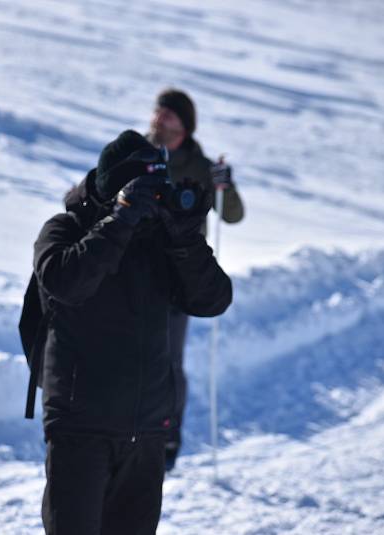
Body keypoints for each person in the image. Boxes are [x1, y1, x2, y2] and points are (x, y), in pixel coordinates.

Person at [33, 129, 233, 534]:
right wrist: (121, 219)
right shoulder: (65, 228)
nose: (153, 201)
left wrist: (185, 239)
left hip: (146, 431)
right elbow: (66, 283)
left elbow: (213, 299)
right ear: (118, 188)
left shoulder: (160, 240)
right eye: (146, 190)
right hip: (81, 426)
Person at [148, 88, 245, 471]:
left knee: (169, 357)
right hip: (134, 271)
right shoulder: (138, 153)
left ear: (184, 125)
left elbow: (232, 215)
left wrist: (225, 185)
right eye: (158, 111)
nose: (159, 118)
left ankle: (169, 434)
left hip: (177, 276)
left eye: (169, 114)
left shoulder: (201, 167)